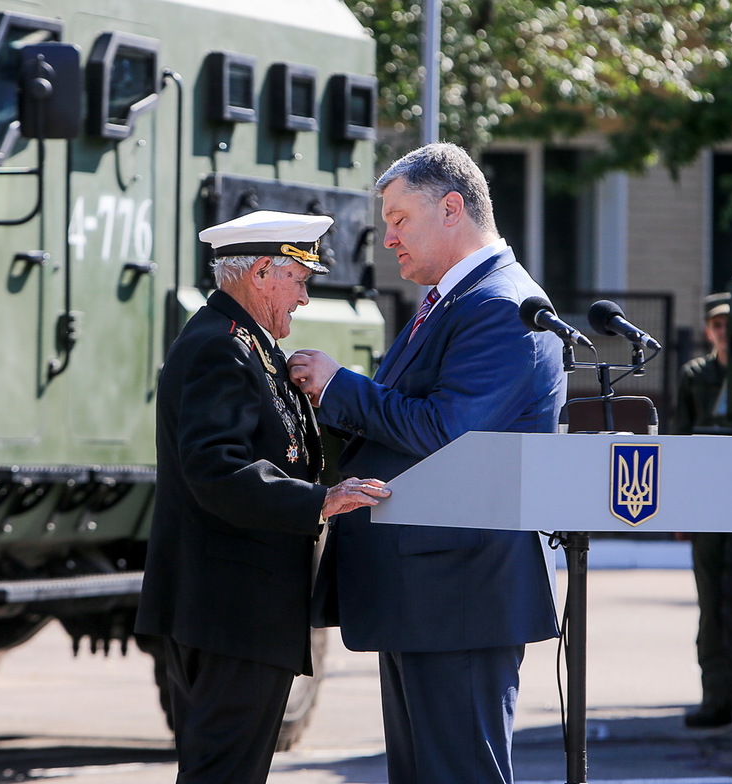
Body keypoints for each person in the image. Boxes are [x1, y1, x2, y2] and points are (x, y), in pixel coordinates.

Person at [288, 143, 566, 784]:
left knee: (458, 772)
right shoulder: (456, 300)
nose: (387, 238)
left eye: (399, 219)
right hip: (430, 588)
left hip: (461, 591)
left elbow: (448, 431)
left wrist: (339, 388)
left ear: (451, 208)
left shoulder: (499, 307)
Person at [135, 209, 391, 784]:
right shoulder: (218, 348)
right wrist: (318, 503)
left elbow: (286, 450)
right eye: (299, 280)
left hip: (241, 612)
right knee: (222, 774)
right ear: (261, 273)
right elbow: (216, 468)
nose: (303, 298)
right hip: (229, 611)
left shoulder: (248, 345)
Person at [672, 291, 732, 728]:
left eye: (730, 323)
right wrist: (681, 508)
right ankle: (716, 698)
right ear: (709, 330)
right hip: (710, 502)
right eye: (717, 325)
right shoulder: (696, 374)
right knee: (711, 605)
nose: (723, 331)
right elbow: (680, 443)